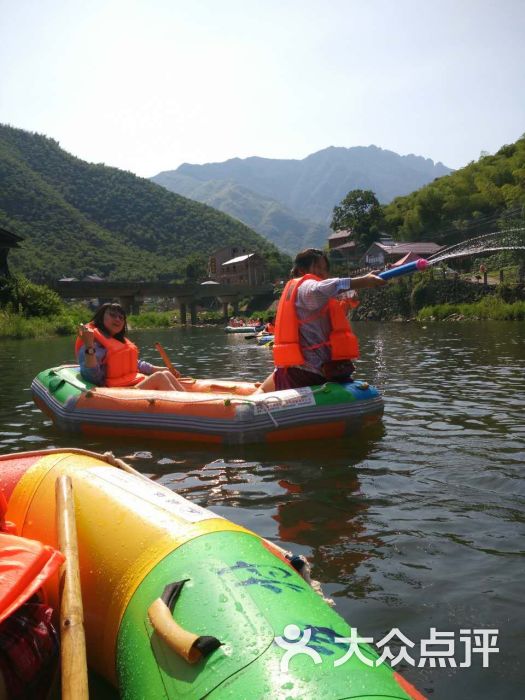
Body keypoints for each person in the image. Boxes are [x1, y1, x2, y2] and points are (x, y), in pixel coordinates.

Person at [256, 249, 386, 392]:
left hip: (318, 369)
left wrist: (351, 295)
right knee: (275, 378)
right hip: (307, 373)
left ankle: (259, 393)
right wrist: (364, 281)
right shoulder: (306, 288)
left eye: (325, 269)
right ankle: (252, 401)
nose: (322, 273)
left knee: (271, 380)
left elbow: (334, 300)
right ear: (301, 270)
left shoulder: (318, 294)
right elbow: (325, 287)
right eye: (318, 268)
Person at [76, 302, 184, 390]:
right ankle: (185, 408)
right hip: (114, 392)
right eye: (112, 315)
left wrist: (162, 368)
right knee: (159, 377)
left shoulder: (118, 342)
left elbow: (135, 364)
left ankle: (190, 405)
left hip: (130, 385)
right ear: (100, 318)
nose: (118, 319)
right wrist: (89, 346)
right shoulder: (92, 342)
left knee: (165, 373)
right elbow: (92, 378)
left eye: (121, 317)